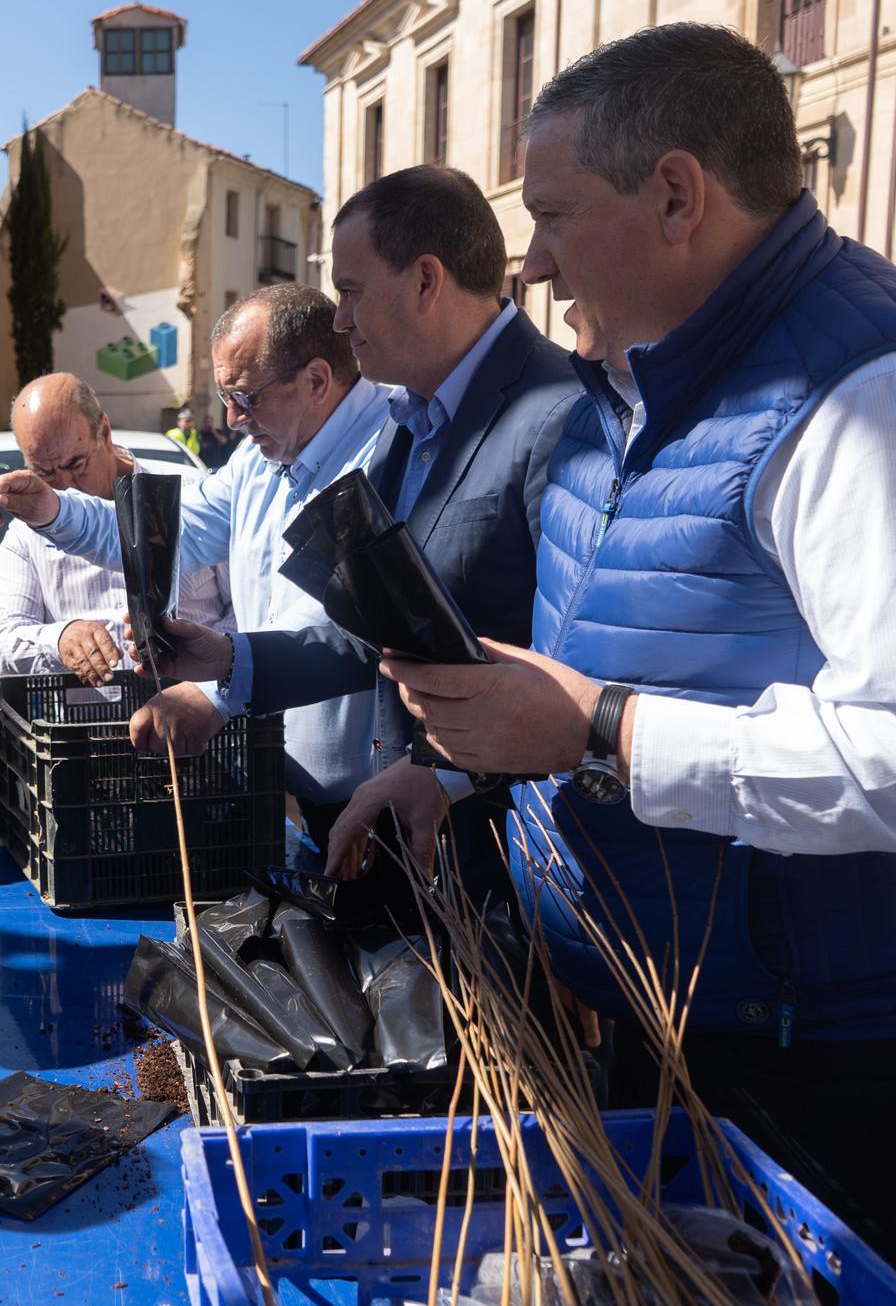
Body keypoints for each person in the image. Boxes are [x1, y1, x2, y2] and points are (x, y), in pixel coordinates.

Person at [349, 25, 896, 1306]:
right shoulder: (632, 385)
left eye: (549, 216)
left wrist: (601, 730)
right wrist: (474, 773)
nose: (531, 263)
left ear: (674, 195)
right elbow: (626, 664)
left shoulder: (880, 397)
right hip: (671, 1042)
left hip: (848, 1084)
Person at [136, 165, 583, 899]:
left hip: (513, 877)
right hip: (414, 862)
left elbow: (573, 675)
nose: (340, 320)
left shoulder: (557, 414)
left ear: (425, 282)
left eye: (350, 292)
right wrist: (228, 657)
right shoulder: (409, 427)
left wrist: (450, 775)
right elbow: (375, 634)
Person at [0, 285, 394, 836]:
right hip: (295, 789)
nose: (232, 419)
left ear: (317, 381)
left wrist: (219, 681)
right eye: (225, 396)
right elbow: (161, 533)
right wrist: (53, 511)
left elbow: (349, 638)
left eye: (246, 397)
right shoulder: (260, 458)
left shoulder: (389, 455)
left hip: (379, 804)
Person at [0, 372, 229, 682]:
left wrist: (210, 657)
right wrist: (58, 639)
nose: (65, 485)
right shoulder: (27, 534)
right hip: (88, 726)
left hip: (206, 721)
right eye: (44, 472)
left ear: (105, 432)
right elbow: (2, 641)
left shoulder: (192, 497)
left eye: (75, 464)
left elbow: (254, 609)